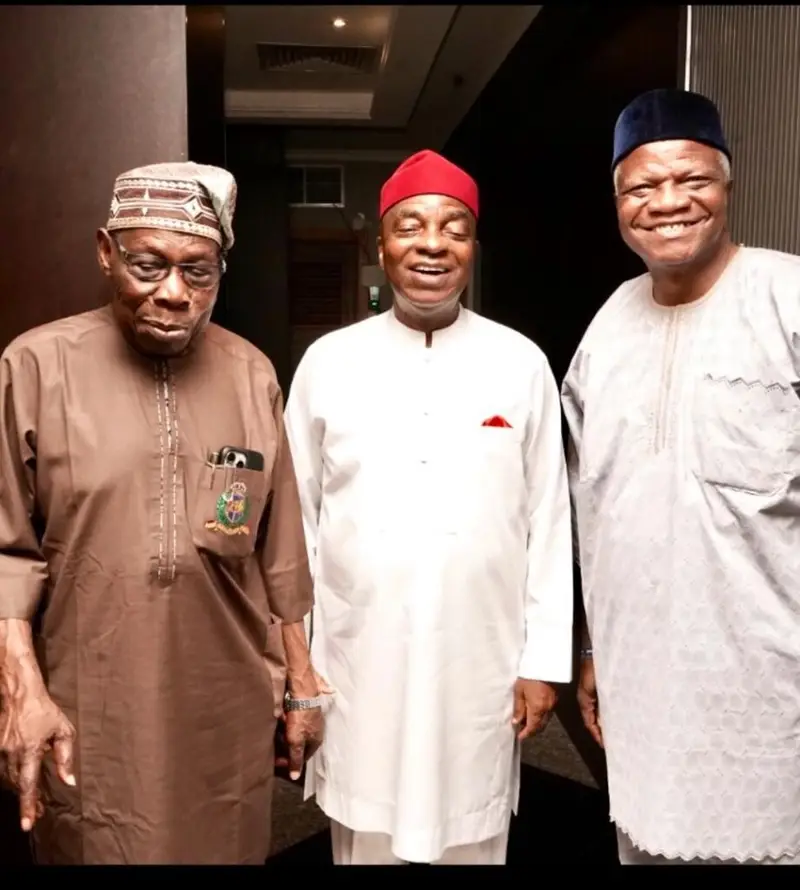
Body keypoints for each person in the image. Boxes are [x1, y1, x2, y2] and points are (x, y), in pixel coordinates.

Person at [0, 162, 323, 865]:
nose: (174, 293)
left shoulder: (252, 374)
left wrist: (301, 683)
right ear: (106, 252)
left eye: (198, 272)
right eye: (148, 266)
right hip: (89, 701)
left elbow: (280, 552)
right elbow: (7, 551)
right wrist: (20, 688)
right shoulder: (35, 366)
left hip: (226, 704)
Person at [284, 150, 574, 866]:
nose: (432, 244)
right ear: (381, 245)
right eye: (410, 226)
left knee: (471, 831)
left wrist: (542, 662)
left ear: (474, 247)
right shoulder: (328, 362)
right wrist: (297, 663)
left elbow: (549, 520)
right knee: (366, 834)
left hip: (481, 656)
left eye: (454, 228)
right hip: (356, 655)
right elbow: (296, 524)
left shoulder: (521, 362)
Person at [562, 88, 800, 865]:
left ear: (728, 184)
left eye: (691, 179)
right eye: (642, 186)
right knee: (648, 844)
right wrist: (591, 650)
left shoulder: (787, 298)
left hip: (771, 686)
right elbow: (593, 508)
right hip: (641, 679)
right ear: (618, 203)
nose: (667, 202)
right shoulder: (607, 327)